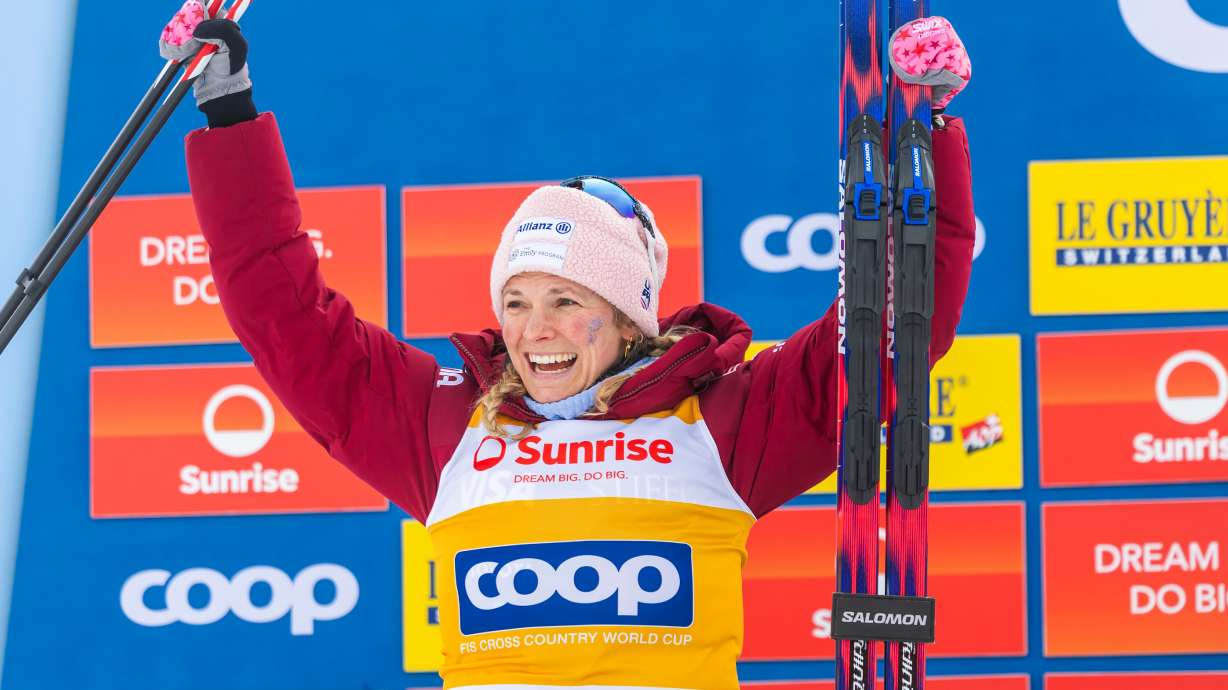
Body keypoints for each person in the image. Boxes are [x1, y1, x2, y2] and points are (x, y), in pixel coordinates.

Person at [161, 3, 975, 688]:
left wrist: (924, 128)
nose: (534, 331)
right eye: (515, 303)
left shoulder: (724, 424)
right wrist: (228, 113)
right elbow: (284, 314)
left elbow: (896, 330)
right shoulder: (443, 429)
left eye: (566, 301)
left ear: (629, 320)